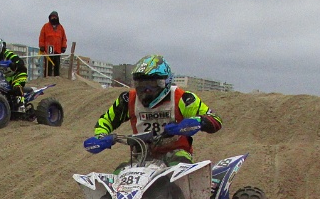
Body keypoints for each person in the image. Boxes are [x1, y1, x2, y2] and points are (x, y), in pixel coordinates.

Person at [85, 55, 222, 166]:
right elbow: (106, 120)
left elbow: (215, 120)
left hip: (176, 152)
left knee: (179, 166)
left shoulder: (182, 98)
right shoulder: (128, 100)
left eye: (151, 85)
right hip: (143, 156)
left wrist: (197, 122)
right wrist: (100, 137)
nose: (146, 90)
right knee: (119, 174)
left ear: (165, 82)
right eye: (141, 85)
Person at [0, 36, 28, 102]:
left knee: (16, 87)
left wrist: (12, 64)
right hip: (6, 78)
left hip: (18, 75)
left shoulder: (8, 54)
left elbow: (20, 62)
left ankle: (21, 104)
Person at [39, 10, 67, 77]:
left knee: (57, 64)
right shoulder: (45, 26)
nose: (53, 18)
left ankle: (57, 77)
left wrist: (64, 46)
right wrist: (42, 46)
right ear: (50, 18)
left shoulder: (61, 28)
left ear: (57, 18)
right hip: (49, 47)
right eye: (52, 17)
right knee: (49, 64)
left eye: (55, 17)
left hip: (58, 48)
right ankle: (47, 77)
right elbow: (41, 37)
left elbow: (64, 38)